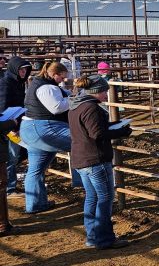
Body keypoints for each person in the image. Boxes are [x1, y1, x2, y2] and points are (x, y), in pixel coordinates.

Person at [69, 74, 133, 250]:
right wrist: (121, 132)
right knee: (105, 198)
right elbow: (97, 134)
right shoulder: (91, 108)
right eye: (104, 91)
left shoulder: (76, 105)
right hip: (94, 159)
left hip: (81, 158)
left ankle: (92, 236)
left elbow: (94, 129)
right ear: (96, 91)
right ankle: (104, 238)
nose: (106, 94)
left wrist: (114, 125)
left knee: (92, 197)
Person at [21, 61, 81, 213]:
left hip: (31, 129)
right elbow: (56, 107)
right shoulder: (46, 87)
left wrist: (69, 96)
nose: (63, 80)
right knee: (81, 142)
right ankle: (84, 183)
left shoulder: (39, 84)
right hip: (43, 128)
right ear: (54, 75)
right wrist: (74, 99)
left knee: (35, 170)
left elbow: (61, 98)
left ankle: (35, 205)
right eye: (62, 77)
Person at [0, 56, 32, 194]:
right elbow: (2, 107)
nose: (24, 73)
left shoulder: (17, 83)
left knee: (14, 155)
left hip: (16, 123)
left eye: (25, 70)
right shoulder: (6, 83)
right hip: (9, 125)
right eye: (21, 70)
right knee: (11, 157)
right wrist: (10, 127)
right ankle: (9, 188)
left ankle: (10, 186)